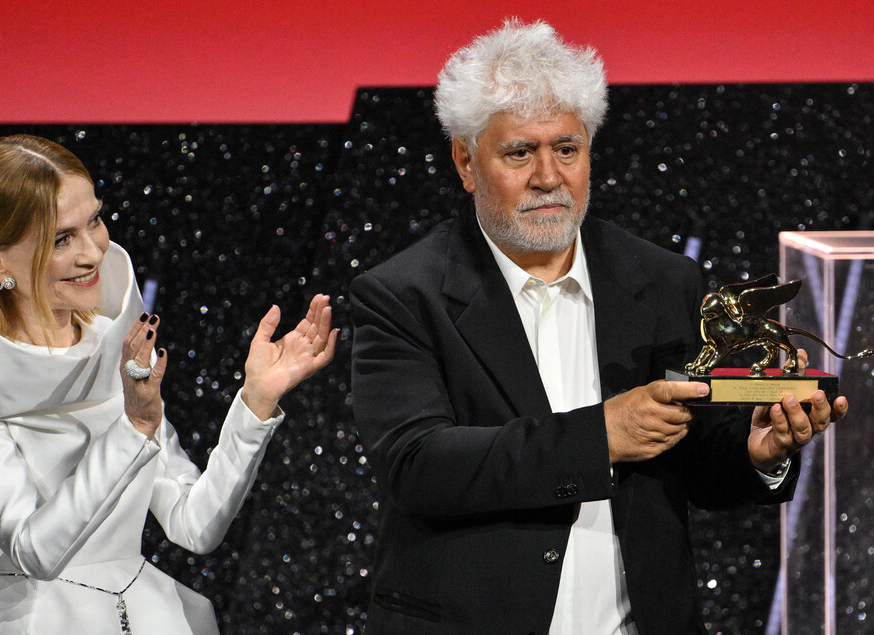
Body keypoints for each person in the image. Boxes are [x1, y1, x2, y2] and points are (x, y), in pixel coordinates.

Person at [350, 19, 848, 635]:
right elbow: (417, 465)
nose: (549, 177)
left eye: (567, 148)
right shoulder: (402, 295)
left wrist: (757, 451)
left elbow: (696, 462)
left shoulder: (665, 282)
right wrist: (599, 437)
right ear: (465, 160)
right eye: (519, 152)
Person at [0, 134, 337, 634]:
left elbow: (194, 525)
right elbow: (33, 551)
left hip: (148, 616)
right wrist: (133, 427)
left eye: (93, 220)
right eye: (60, 238)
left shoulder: (115, 340)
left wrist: (256, 402)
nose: (94, 252)